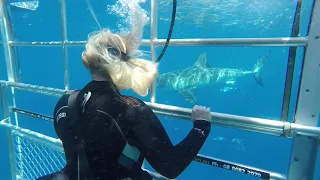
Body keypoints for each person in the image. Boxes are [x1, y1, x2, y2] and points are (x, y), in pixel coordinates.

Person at [37, 2, 212, 180]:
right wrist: (201, 127)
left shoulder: (66, 101)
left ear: (88, 62)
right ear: (125, 64)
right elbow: (171, 167)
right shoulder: (131, 109)